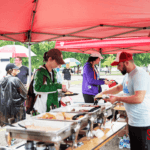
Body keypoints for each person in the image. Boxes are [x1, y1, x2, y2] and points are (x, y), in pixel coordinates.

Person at [95, 51, 150, 150]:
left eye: (119, 65)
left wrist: (117, 98)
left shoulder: (139, 74)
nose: (117, 68)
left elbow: (139, 98)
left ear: (126, 62)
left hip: (143, 123)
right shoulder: (128, 75)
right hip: (133, 121)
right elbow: (119, 88)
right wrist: (103, 93)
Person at [33, 49, 67, 114]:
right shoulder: (39, 72)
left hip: (53, 106)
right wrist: (58, 86)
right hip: (42, 108)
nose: (58, 64)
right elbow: (37, 89)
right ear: (50, 59)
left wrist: (61, 90)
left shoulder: (53, 72)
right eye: (57, 62)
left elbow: (52, 88)